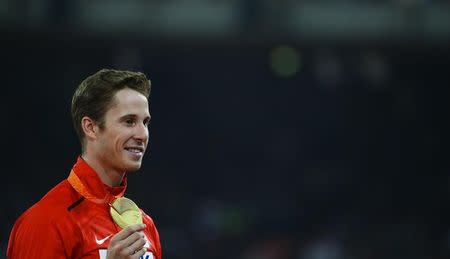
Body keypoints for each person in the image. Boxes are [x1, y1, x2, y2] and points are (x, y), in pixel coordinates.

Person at [7, 69, 162, 259]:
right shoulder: (46, 221)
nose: (142, 134)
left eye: (145, 122)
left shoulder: (146, 225)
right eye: (129, 121)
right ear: (91, 127)